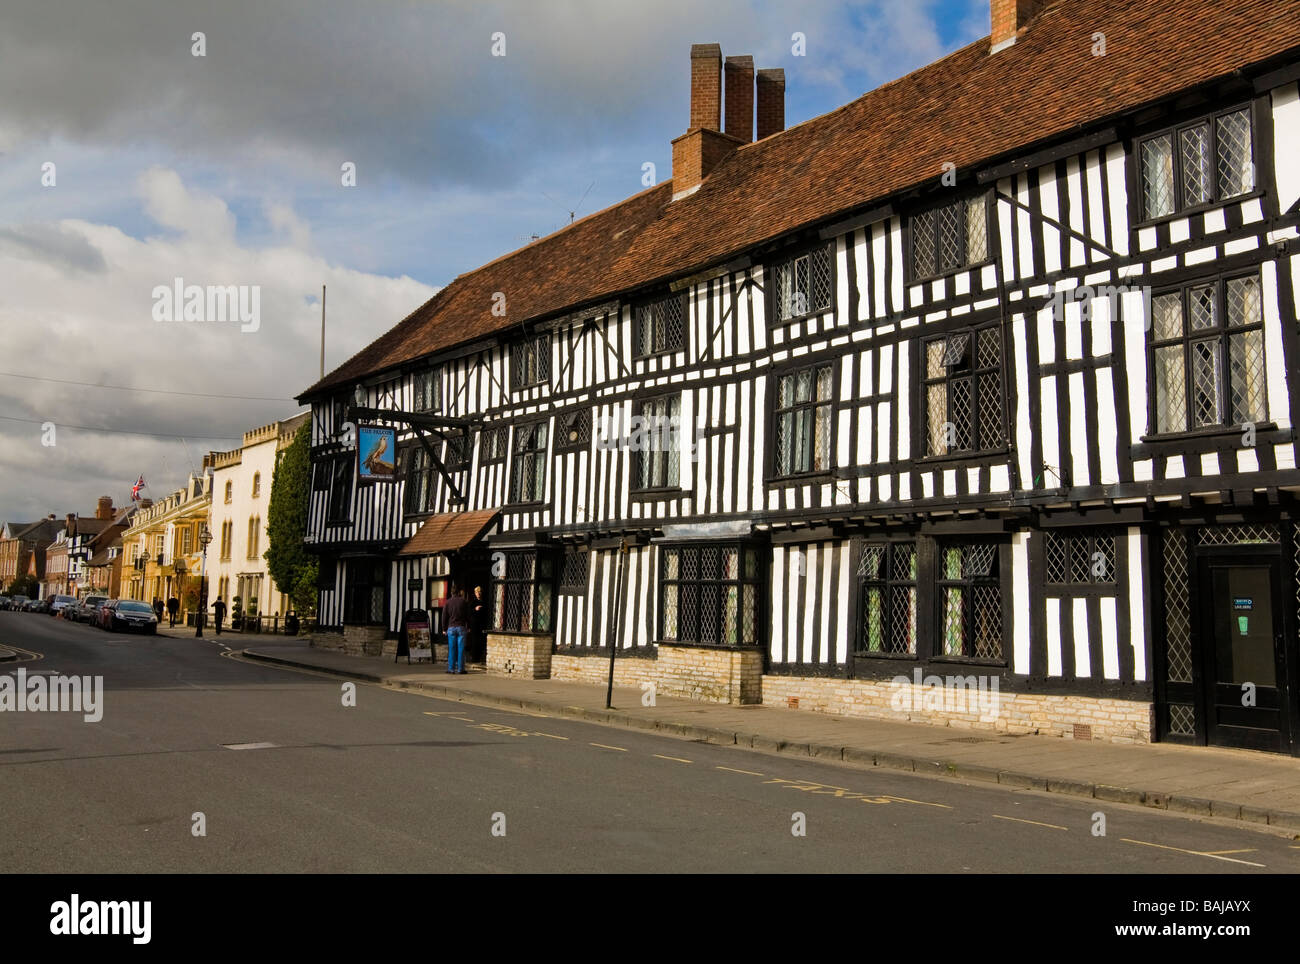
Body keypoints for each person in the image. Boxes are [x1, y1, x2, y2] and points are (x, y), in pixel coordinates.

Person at [443, 585, 470, 675]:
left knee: (452, 649)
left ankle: (451, 669)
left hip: (451, 627)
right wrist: (468, 626)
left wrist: (444, 628)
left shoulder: (447, 602)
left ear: (451, 592)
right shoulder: (463, 601)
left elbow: (444, 617)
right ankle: (461, 669)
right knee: (461, 649)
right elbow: (467, 615)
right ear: (459, 592)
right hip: (461, 627)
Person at [470, 585, 489, 663]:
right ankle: (474, 658)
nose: (478, 593)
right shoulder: (473, 602)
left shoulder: (484, 601)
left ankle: (481, 657)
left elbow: (487, 612)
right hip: (475, 624)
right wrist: (475, 609)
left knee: (481, 641)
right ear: (475, 593)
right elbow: (469, 612)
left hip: (482, 624)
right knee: (474, 641)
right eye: (477, 592)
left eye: (479, 592)